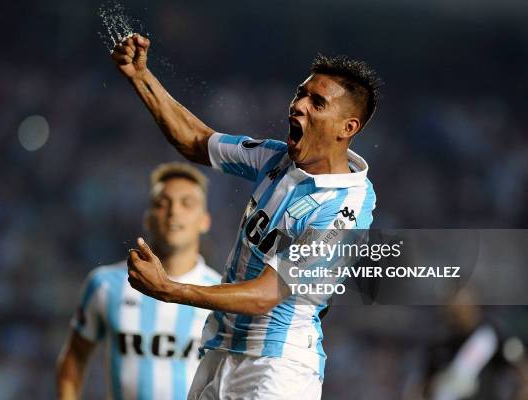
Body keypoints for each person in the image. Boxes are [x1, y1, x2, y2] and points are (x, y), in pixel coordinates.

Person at [112, 33, 381, 399]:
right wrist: (141, 77)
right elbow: (196, 141)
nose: (298, 105)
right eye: (300, 93)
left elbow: (266, 294)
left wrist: (171, 290)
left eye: (316, 102)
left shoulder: (343, 210)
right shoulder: (276, 159)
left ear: (347, 128)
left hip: (276, 368)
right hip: (222, 350)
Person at [56, 162, 221, 400]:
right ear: (148, 218)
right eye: (162, 203)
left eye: (187, 203)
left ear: (205, 220)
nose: (174, 211)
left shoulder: (219, 294)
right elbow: (74, 359)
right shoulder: (105, 285)